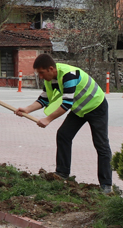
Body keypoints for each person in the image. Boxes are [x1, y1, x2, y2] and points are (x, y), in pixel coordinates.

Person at [14, 53, 113, 193]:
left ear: (50, 69)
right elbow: (44, 99)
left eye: (42, 73)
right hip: (79, 109)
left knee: (101, 144)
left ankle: (106, 185)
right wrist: (27, 110)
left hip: (96, 107)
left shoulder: (69, 75)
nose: (40, 77)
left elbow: (66, 104)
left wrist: (48, 119)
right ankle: (62, 173)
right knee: (63, 134)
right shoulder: (50, 79)